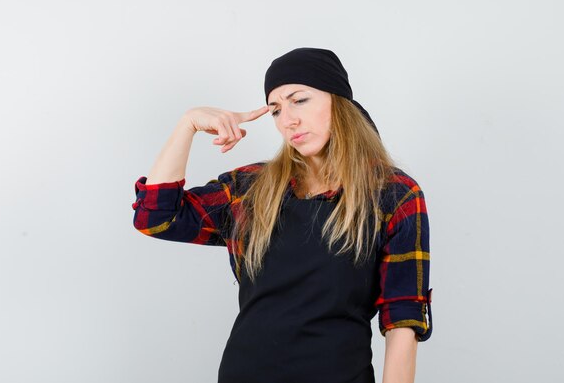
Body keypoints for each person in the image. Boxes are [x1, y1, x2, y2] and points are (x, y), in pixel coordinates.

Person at [131, 47, 433, 383]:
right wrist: (188, 123)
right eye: (275, 110)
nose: (288, 120)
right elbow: (156, 218)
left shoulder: (393, 194)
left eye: (299, 100)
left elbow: (402, 318)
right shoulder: (254, 188)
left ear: (338, 102)